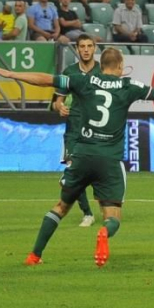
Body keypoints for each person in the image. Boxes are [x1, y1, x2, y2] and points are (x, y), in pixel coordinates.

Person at [0, 51, 154, 267]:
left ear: (102, 66)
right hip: (109, 159)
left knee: (61, 207)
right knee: (113, 216)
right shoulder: (129, 86)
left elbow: (45, 80)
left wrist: (11, 74)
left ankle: (34, 255)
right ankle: (104, 231)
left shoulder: (83, 80)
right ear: (120, 66)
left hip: (82, 155)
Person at [51, 34, 101, 228]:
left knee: (97, 171)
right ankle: (87, 213)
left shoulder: (103, 70)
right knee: (74, 171)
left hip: (97, 130)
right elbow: (57, 101)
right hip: (74, 129)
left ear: (95, 48)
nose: (86, 49)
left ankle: (109, 208)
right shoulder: (69, 72)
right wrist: (59, 107)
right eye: (82, 46)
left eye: (89, 46)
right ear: (77, 49)